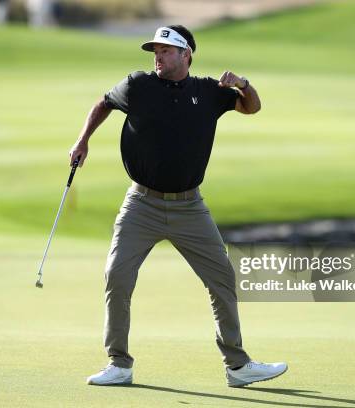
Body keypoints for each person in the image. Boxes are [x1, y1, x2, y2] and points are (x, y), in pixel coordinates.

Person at [69, 25, 288, 387]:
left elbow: (252, 107)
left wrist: (243, 84)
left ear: (186, 54)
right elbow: (104, 103)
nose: (158, 56)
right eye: (155, 50)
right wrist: (83, 141)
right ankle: (119, 363)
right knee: (117, 276)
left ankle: (237, 366)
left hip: (190, 208)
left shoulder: (208, 91)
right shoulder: (138, 85)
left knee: (222, 278)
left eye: (166, 51)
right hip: (141, 203)